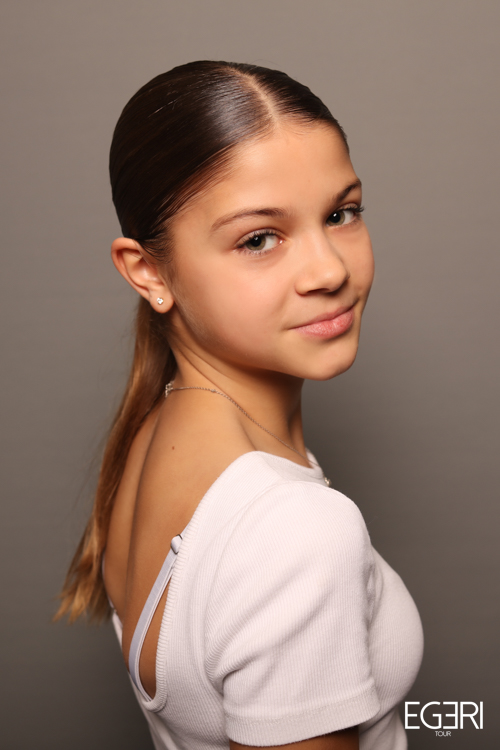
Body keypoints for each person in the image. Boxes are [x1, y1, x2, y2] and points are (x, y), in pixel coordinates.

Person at [56, 60, 424, 750]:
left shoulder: (158, 431)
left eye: (341, 214)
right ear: (148, 271)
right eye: (259, 239)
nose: (329, 270)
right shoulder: (294, 529)